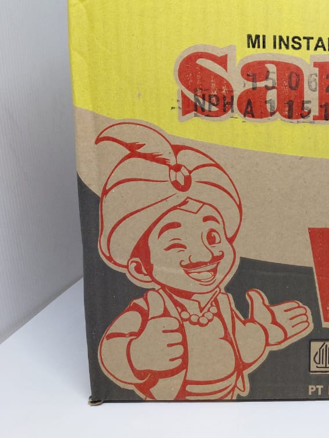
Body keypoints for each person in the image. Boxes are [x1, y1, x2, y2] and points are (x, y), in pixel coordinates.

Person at [95, 121, 312, 400]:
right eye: (176, 243)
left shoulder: (222, 305)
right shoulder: (152, 309)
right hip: (170, 414)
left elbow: (242, 350)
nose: (206, 255)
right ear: (141, 268)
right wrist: (138, 354)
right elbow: (111, 349)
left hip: (233, 409)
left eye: (212, 236)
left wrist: (265, 331)